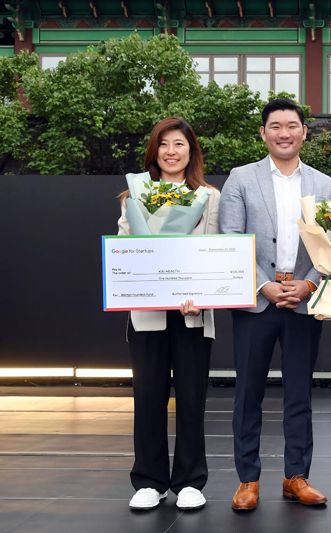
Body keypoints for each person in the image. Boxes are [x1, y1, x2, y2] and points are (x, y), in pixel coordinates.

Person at [219, 98, 331, 511]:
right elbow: (231, 239)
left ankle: (296, 477)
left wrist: (309, 283)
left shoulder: (323, 185)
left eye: (291, 125)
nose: (284, 132)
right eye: (275, 126)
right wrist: (264, 285)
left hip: (303, 301)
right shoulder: (240, 178)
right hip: (257, 302)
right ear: (263, 133)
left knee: (299, 394)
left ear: (304, 132)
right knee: (248, 392)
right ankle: (247, 480)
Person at [118, 117, 219, 511]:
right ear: (154, 151)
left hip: (192, 313)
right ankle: (149, 480)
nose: (171, 151)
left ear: (191, 151)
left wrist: (202, 294)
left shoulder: (208, 196)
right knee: (148, 396)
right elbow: (126, 250)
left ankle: (191, 480)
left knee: (193, 397)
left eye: (179, 144)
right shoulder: (134, 197)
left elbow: (213, 251)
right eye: (164, 144)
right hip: (146, 313)